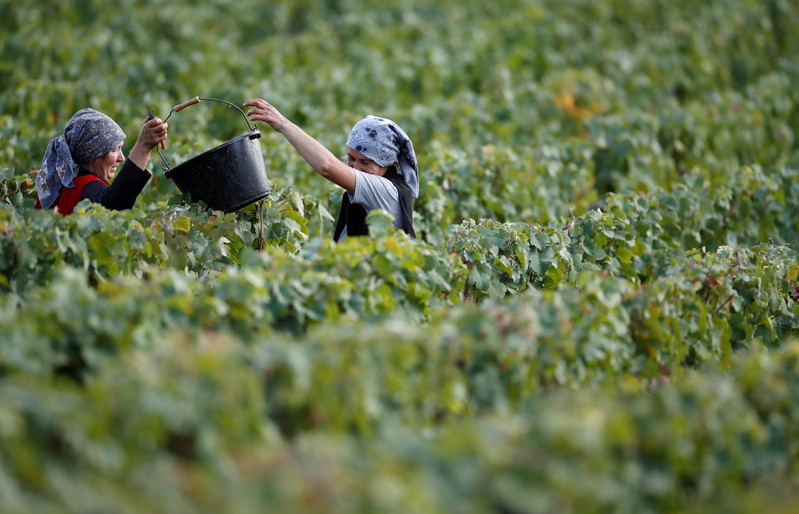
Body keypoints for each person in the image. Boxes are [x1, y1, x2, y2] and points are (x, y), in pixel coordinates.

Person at [243, 98, 418, 242]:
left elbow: (327, 166)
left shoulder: (386, 191)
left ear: (386, 164)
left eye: (366, 162)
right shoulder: (373, 186)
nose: (355, 168)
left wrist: (283, 124)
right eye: (351, 158)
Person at [35, 108, 168, 216]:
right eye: (115, 150)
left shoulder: (53, 188)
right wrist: (143, 147)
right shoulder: (87, 186)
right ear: (93, 153)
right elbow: (114, 206)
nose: (121, 158)